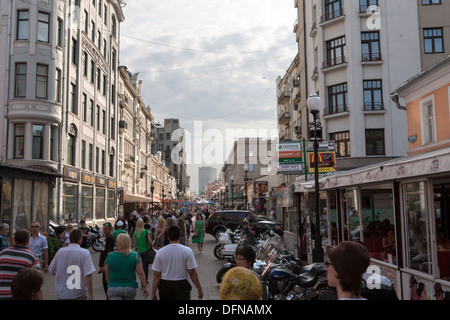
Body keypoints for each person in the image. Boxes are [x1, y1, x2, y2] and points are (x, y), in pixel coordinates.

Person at [151, 226, 203, 300]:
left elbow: (157, 274)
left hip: (165, 286)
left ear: (168, 237)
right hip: (182, 286)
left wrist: (153, 292)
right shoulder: (187, 251)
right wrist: (199, 289)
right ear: (179, 236)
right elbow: (192, 272)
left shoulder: (160, 252)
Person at [48, 228, 96, 300]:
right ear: (80, 240)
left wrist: (63, 276)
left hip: (62, 293)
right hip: (78, 292)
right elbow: (88, 275)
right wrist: (90, 295)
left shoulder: (60, 252)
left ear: (70, 239)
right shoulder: (84, 253)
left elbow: (52, 270)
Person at [104, 233, 148, 300]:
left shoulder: (109, 256)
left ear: (117, 242)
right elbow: (140, 273)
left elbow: (107, 274)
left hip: (114, 287)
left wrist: (109, 284)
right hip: (130, 287)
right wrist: (145, 287)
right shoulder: (135, 255)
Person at [0, 229, 40, 300]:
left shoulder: (2, 254)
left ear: (14, 239)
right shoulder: (32, 257)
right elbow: (36, 280)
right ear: (28, 240)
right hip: (21, 296)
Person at [98, 222, 116, 299]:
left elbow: (109, 253)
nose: (104, 231)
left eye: (106, 229)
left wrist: (105, 266)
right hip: (104, 266)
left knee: (107, 284)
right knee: (105, 285)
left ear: (110, 229)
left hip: (107, 267)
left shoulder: (111, 238)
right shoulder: (106, 238)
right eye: (104, 229)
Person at [133, 218, 152, 285]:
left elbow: (135, 245)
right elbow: (150, 241)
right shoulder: (146, 231)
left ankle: (141, 281)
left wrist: (138, 247)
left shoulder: (135, 233)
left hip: (139, 252)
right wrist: (150, 246)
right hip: (146, 251)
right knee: (146, 267)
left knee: (140, 268)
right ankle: (146, 280)